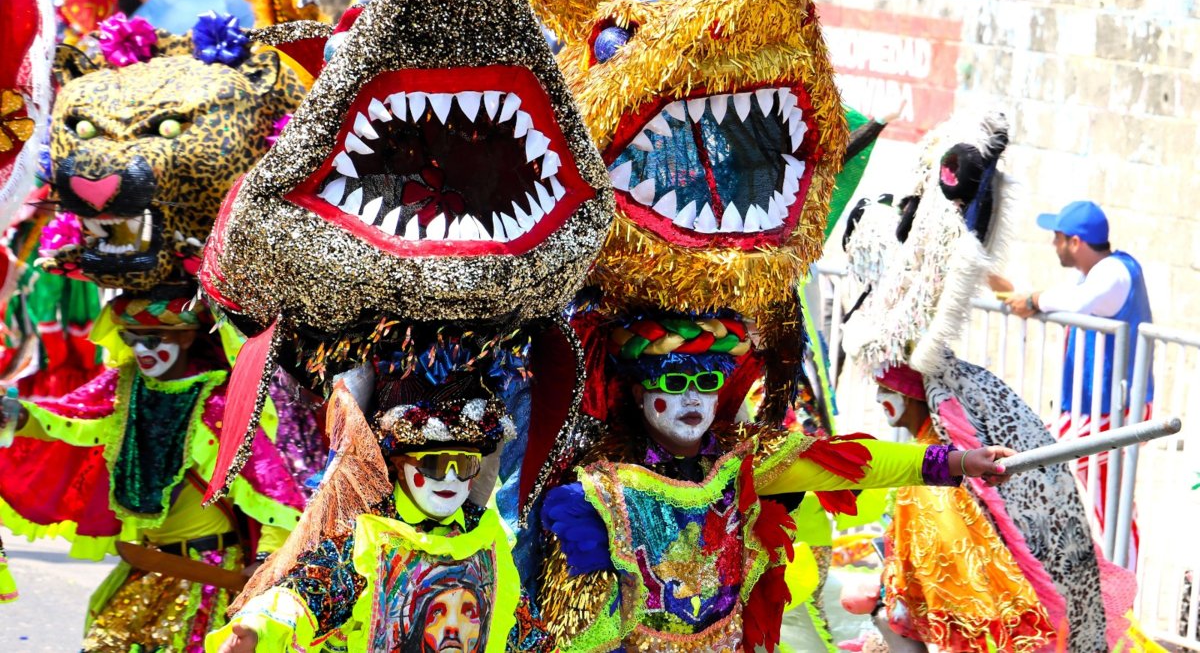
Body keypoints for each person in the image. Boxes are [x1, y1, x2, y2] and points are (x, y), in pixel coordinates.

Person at [536, 313, 1013, 653]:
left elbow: (846, 461)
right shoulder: (601, 488)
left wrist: (956, 461)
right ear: (641, 394)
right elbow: (579, 626)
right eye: (676, 383)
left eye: (706, 384)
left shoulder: (739, 458)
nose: (693, 400)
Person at [0, 296, 307, 651]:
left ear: (187, 337)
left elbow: (273, 492)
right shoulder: (124, 385)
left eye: (153, 338)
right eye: (131, 338)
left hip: (207, 576)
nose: (140, 349)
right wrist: (15, 415)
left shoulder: (220, 401)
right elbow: (75, 417)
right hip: (147, 566)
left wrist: (266, 561)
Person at [207, 360, 547, 653]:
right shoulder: (369, 536)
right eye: (435, 464)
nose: (451, 480)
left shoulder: (485, 537)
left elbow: (521, 630)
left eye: (465, 465)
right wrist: (257, 628)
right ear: (401, 465)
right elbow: (309, 591)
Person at [1001, 200, 1153, 555]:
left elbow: (1078, 302)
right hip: (1095, 410)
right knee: (1111, 508)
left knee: (1029, 465)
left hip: (1109, 412)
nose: (1054, 245)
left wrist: (1034, 299)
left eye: (1057, 238)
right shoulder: (1098, 273)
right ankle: (1119, 591)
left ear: (1075, 242)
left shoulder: (1114, 272)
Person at [872, 364, 1055, 652]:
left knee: (880, 614)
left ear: (908, 395)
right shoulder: (933, 451)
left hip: (966, 619)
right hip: (954, 614)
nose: (877, 398)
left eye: (885, 389)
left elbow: (954, 570)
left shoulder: (933, 464)